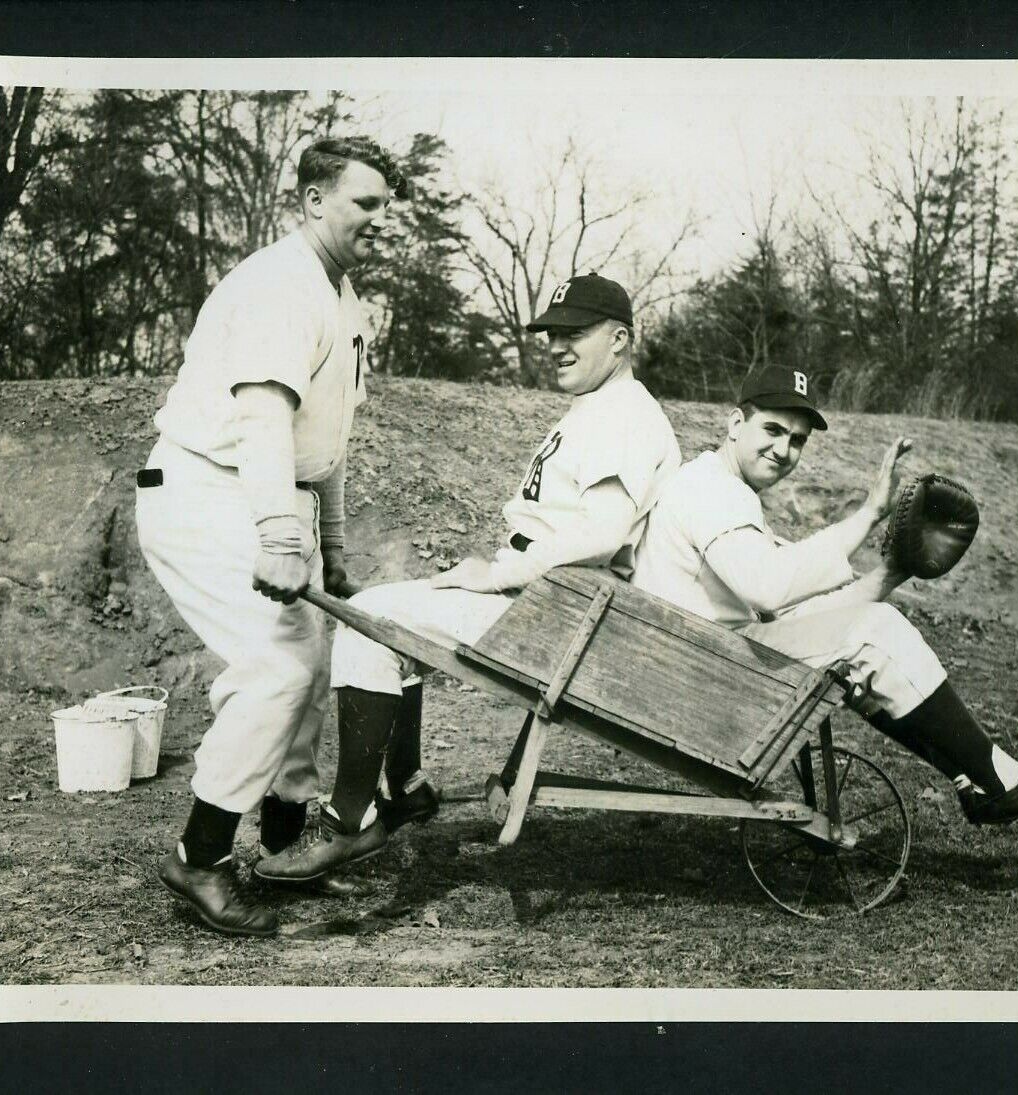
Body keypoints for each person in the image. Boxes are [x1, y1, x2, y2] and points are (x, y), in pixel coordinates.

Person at [254, 273, 682, 888]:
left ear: (619, 339)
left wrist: (501, 573)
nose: (558, 346)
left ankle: (347, 821)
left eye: (575, 334)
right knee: (381, 617)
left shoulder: (630, 416)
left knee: (372, 626)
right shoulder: (600, 407)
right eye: (552, 334)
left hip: (562, 611)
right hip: (548, 598)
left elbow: (603, 533)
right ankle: (406, 788)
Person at [630, 363, 1018, 824]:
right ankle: (995, 782)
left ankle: (984, 778)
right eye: (772, 429)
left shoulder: (720, 489)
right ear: (736, 423)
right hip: (700, 677)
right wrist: (871, 512)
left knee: (864, 640)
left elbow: (798, 612)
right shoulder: (711, 491)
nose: (783, 449)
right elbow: (770, 590)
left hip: (705, 660)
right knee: (875, 634)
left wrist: (891, 573)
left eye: (797, 440)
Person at [136, 136, 407, 937]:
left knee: (308, 661)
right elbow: (261, 415)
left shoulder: (342, 294)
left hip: (264, 492)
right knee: (280, 665)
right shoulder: (281, 284)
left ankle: (282, 851)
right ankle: (200, 854)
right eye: (365, 202)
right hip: (206, 488)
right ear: (314, 200)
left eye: (386, 206)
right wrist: (278, 534)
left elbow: (326, 442)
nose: (379, 219)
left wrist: (336, 546)